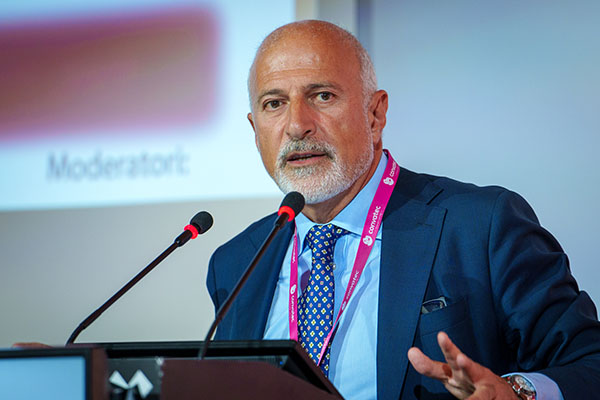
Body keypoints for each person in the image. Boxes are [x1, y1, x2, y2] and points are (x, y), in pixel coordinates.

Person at [206, 20, 600, 399]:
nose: (297, 125)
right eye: (274, 103)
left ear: (375, 114)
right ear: (255, 130)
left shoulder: (481, 226)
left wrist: (517, 393)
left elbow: (590, 364)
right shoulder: (235, 264)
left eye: (322, 96)